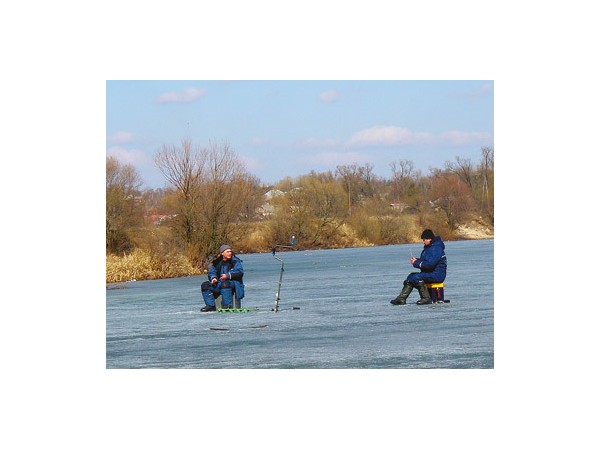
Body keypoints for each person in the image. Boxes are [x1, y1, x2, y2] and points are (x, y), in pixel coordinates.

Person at [391, 229, 447, 305]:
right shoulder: (430, 248)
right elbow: (425, 260)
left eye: (424, 240)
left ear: (429, 239)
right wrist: (416, 260)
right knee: (411, 277)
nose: (423, 241)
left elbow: (430, 265)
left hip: (437, 275)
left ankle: (426, 298)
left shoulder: (436, 249)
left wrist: (416, 263)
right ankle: (401, 298)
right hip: (431, 273)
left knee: (416, 277)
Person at [200, 244, 245, 312]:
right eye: (228, 252)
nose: (230, 253)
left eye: (230, 251)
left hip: (234, 284)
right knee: (205, 285)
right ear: (222, 253)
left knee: (225, 283)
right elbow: (212, 272)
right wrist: (213, 278)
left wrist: (227, 276)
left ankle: (227, 305)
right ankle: (210, 305)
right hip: (219, 283)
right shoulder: (217, 262)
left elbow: (240, 272)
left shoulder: (235, 261)